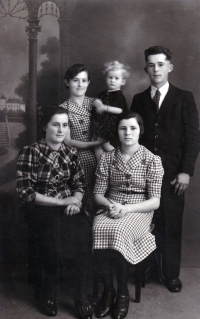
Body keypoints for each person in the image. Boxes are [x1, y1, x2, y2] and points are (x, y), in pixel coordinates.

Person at [131, 46, 200, 293]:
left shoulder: (184, 98)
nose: (156, 69)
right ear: (146, 69)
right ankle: (145, 269)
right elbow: (133, 138)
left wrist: (186, 171)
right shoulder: (139, 100)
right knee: (144, 221)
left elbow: (193, 137)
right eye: (151, 65)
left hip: (173, 175)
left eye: (161, 64)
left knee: (171, 224)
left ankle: (170, 275)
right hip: (143, 174)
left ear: (169, 67)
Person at [16, 106, 93, 319]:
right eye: (55, 124)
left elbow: (79, 184)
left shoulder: (71, 153)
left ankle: (81, 295)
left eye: (65, 125)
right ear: (45, 126)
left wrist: (75, 202)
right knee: (52, 234)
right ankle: (49, 292)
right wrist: (61, 202)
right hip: (40, 208)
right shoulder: (31, 151)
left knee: (83, 231)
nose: (61, 130)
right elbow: (26, 192)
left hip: (67, 206)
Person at [92, 112, 164, 319]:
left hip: (139, 209)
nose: (128, 133)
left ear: (140, 130)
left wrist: (128, 209)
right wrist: (111, 205)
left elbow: (155, 202)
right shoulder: (107, 157)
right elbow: (98, 194)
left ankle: (122, 291)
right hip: (111, 205)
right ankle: (108, 291)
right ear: (117, 131)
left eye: (133, 128)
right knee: (98, 228)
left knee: (120, 229)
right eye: (123, 128)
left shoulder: (151, 159)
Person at [60, 64, 104, 217]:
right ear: (67, 82)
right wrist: (94, 144)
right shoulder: (63, 108)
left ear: (88, 82)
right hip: (76, 155)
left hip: (100, 153)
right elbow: (68, 141)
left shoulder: (96, 104)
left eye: (84, 81)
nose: (80, 85)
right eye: (75, 80)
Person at [92, 60, 129, 160]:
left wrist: (105, 108)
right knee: (96, 144)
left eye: (116, 78)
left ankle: (118, 160)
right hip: (102, 124)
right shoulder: (103, 93)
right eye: (110, 77)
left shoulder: (119, 95)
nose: (112, 80)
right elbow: (97, 104)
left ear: (123, 81)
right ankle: (102, 163)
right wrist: (97, 103)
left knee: (105, 144)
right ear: (106, 78)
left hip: (112, 125)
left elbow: (120, 110)